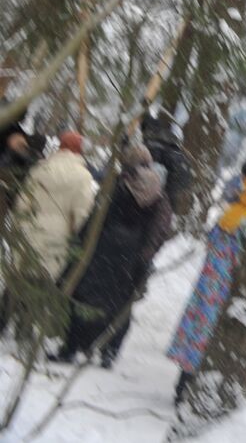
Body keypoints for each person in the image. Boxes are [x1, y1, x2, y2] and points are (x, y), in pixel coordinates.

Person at [55, 145, 172, 367]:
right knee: (119, 305)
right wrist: (145, 255)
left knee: (86, 297)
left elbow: (98, 215)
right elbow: (160, 228)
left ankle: (71, 348)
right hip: (131, 257)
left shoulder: (119, 183)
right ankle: (109, 352)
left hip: (103, 249)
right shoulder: (159, 193)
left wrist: (80, 241)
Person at [168, 168, 246, 405]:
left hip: (207, 285)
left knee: (197, 332)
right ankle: (192, 389)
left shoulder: (231, 214)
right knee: (210, 338)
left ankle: (182, 385)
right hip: (225, 290)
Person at [14, 131, 96, 279]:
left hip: (29, 233)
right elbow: (82, 216)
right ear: (80, 151)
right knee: (39, 287)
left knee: (17, 284)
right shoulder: (84, 177)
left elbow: (22, 204)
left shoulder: (40, 168)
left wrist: (20, 227)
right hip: (57, 240)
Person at [141, 109, 194, 215]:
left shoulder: (153, 139)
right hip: (183, 170)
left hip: (174, 167)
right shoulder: (166, 135)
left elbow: (151, 159)